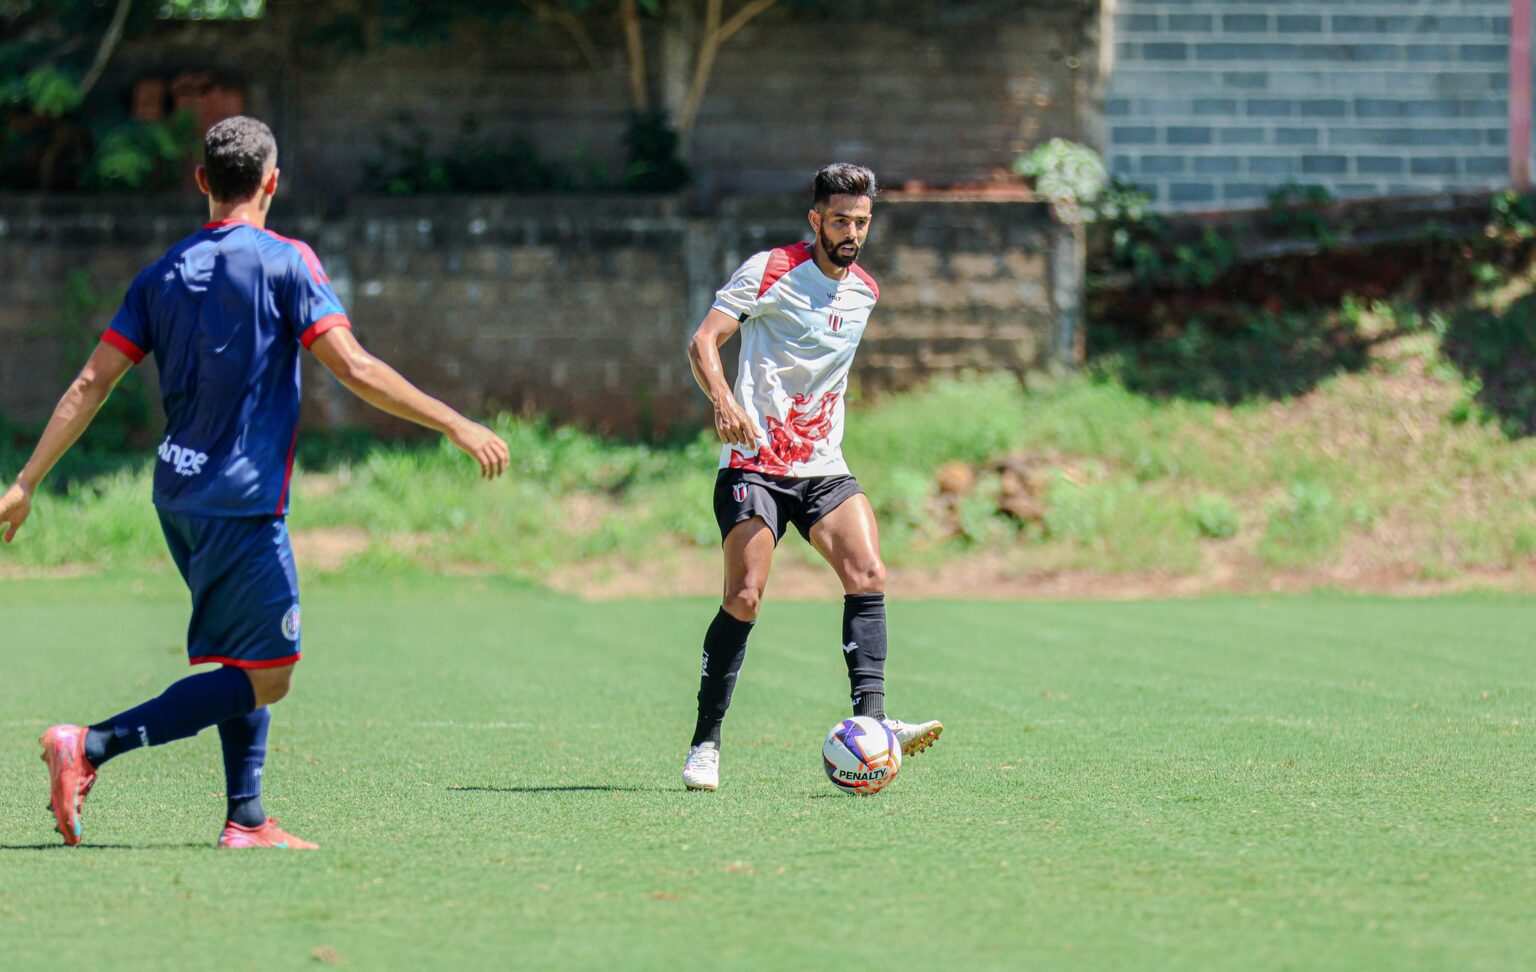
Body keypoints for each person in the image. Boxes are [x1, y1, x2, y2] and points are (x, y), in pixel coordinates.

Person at [0, 116, 511, 848]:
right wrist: (454, 422)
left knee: (244, 654)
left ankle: (246, 817)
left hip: (176, 497)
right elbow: (355, 369)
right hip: (240, 505)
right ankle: (90, 745)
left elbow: (91, 381)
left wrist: (26, 482)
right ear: (273, 182)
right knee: (271, 672)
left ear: (202, 181)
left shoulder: (163, 273)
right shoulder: (285, 262)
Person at [680, 162, 942, 791]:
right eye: (841, 220)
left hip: (821, 465)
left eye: (862, 222)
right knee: (744, 596)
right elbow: (703, 342)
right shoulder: (770, 269)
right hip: (754, 464)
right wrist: (724, 401)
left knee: (869, 573)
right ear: (815, 218)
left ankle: (874, 723)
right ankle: (705, 742)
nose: (851, 232)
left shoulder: (865, 293)